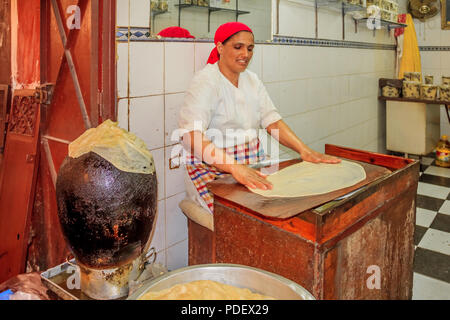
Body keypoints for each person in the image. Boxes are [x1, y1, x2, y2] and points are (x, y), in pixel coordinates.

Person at [177, 22, 340, 214]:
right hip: (213, 172)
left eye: (250, 48)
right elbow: (190, 136)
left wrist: (305, 151)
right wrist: (235, 168)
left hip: (252, 163)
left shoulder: (251, 79)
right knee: (246, 217)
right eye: (238, 47)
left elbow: (272, 120)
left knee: (288, 207)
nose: (245, 54)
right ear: (220, 47)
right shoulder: (206, 81)